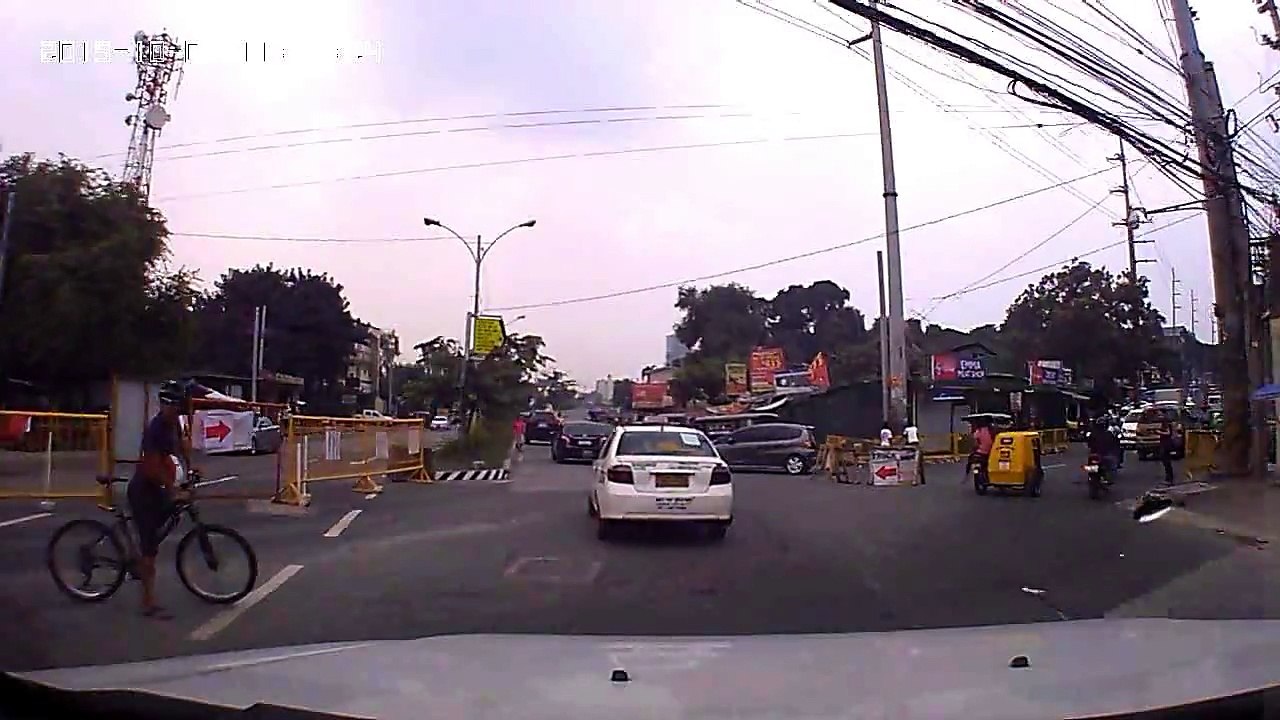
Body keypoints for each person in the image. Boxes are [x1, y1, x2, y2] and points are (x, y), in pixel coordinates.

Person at [127, 381, 193, 620]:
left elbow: (182, 447)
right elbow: (151, 468)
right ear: (164, 405)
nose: (175, 410)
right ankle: (147, 602)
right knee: (150, 546)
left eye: (177, 406)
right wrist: (172, 488)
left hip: (158, 486)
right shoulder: (155, 429)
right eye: (171, 406)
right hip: (144, 489)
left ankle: (141, 562)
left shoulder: (173, 424)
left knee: (161, 525)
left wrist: (191, 468)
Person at [1157, 413, 1176, 485]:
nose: (1159, 417)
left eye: (1160, 416)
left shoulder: (1166, 424)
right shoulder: (1163, 424)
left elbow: (1168, 433)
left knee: (1166, 462)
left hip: (1166, 444)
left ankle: (1169, 479)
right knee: (1165, 462)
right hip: (1164, 444)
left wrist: (1159, 432)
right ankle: (1168, 478)